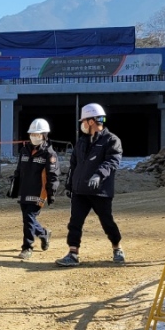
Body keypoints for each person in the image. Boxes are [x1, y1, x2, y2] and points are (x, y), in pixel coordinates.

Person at [56, 103, 124, 267]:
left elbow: (112, 161)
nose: (82, 125)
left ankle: (117, 248)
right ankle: (73, 253)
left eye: (84, 121)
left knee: (107, 222)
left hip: (100, 191)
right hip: (80, 191)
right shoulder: (81, 141)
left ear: (91, 121)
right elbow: (74, 165)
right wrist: (70, 184)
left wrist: (99, 175)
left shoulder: (111, 140)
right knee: (75, 222)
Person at [9, 118, 60, 260]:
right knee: (28, 218)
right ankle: (44, 233)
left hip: (39, 191)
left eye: (37, 134)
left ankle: (27, 247)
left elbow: (53, 175)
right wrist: (14, 187)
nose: (34, 137)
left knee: (29, 216)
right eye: (32, 134)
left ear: (44, 135)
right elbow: (19, 170)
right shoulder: (24, 151)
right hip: (24, 190)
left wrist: (51, 193)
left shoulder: (49, 154)